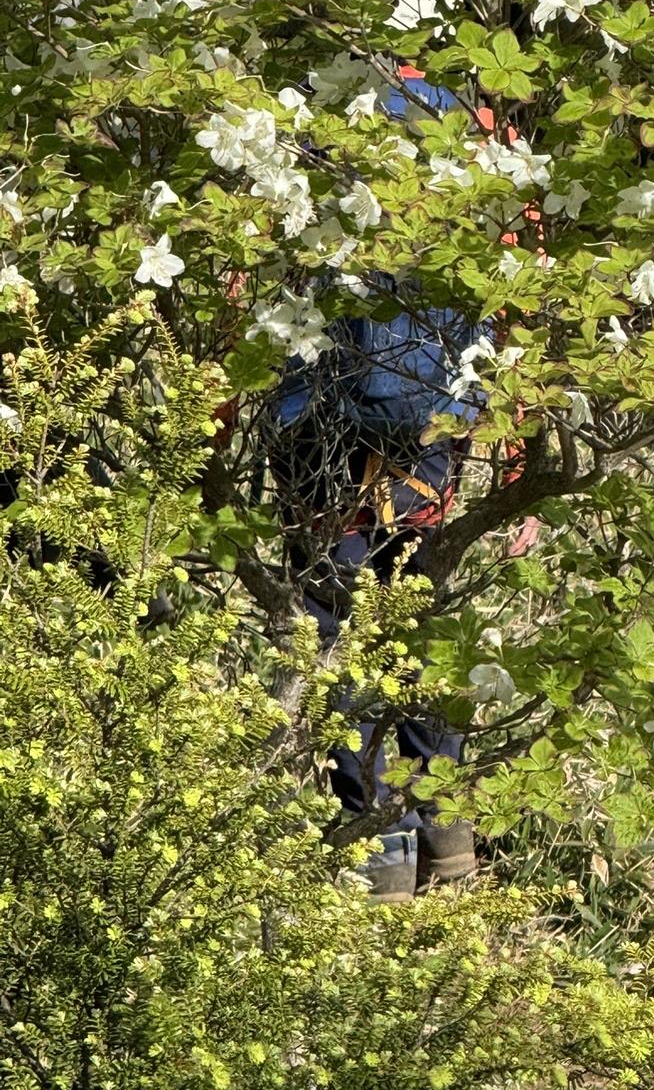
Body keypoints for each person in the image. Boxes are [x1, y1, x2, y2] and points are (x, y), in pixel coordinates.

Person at [262, 65, 535, 899]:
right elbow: (522, 304)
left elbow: (253, 283)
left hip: (318, 435)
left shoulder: (307, 118)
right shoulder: (487, 135)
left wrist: (231, 420)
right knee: (420, 622)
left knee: (334, 634)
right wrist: (516, 445)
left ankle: (376, 856)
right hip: (431, 438)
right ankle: (447, 845)